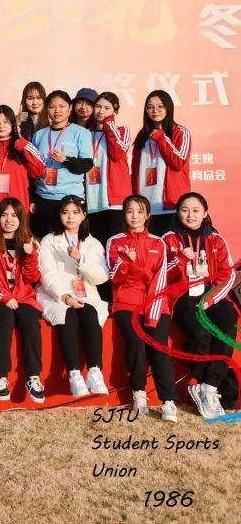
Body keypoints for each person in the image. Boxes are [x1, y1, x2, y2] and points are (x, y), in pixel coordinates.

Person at [163, 192, 237, 419]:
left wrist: (211, 299)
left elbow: (227, 276)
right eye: (185, 210)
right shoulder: (168, 239)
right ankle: (216, 385)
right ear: (178, 213)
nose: (190, 215)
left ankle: (208, 388)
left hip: (211, 295)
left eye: (196, 211)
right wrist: (181, 259)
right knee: (200, 334)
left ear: (205, 213)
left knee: (227, 327)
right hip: (183, 296)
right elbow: (161, 273)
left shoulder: (216, 239)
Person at [106, 195, 178, 422]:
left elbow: (161, 277)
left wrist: (153, 311)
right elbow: (113, 277)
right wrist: (127, 261)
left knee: (159, 347)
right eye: (130, 211)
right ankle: (138, 393)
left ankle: (168, 401)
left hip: (156, 302)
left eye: (139, 211)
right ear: (124, 215)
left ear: (147, 215)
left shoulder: (158, 243)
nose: (134, 216)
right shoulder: (115, 241)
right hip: (127, 302)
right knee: (136, 343)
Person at [37, 195, 110, 397]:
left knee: (89, 312)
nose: (70, 217)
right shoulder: (49, 241)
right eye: (65, 212)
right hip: (55, 296)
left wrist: (81, 260)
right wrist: (65, 297)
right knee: (68, 314)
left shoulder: (92, 243)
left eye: (75, 212)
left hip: (86, 294)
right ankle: (74, 375)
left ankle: (95, 372)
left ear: (84, 215)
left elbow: (102, 277)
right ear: (59, 215)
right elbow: (47, 274)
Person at [0, 198, 45, 403]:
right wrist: (4, 297)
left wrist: (30, 255)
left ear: (21, 218)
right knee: (5, 317)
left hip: (23, 296)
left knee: (30, 320)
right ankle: (1, 377)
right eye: (4, 215)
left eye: (14, 215)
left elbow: (33, 278)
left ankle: (33, 377)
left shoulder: (31, 242)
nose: (9, 220)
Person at [30, 90, 94, 238]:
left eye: (61, 106)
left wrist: (66, 160)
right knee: (44, 242)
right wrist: (32, 199)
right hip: (43, 198)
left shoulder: (81, 133)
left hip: (71, 198)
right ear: (46, 109)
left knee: (70, 243)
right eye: (52, 107)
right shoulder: (39, 135)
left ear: (70, 108)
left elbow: (86, 165)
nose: (57, 111)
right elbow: (31, 168)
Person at [0, 104, 46, 232]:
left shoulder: (23, 147)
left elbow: (39, 170)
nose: (1, 126)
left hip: (16, 214)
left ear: (13, 123)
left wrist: (22, 144)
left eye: (6, 121)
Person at [132, 90, 191, 236]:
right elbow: (135, 171)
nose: (155, 111)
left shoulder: (180, 132)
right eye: (150, 107)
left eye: (160, 106)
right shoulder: (142, 135)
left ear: (168, 108)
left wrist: (161, 137)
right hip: (146, 209)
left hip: (171, 206)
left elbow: (178, 162)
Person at [85, 92, 132, 250]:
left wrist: (109, 124)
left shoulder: (122, 131)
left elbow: (117, 152)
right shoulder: (85, 134)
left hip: (114, 204)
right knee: (96, 250)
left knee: (116, 249)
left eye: (107, 108)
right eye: (98, 106)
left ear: (115, 111)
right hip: (92, 202)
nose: (101, 111)